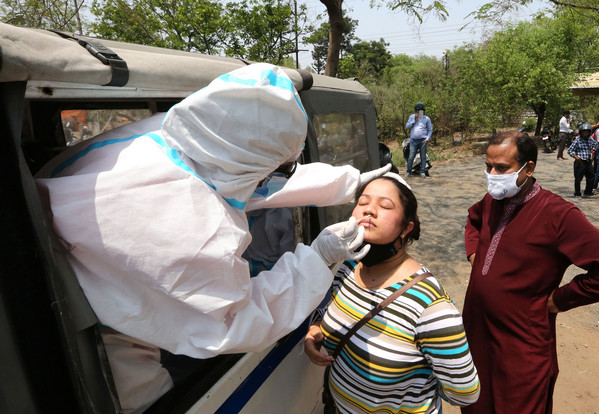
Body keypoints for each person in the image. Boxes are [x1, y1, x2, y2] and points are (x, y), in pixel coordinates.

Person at [34, 64, 388, 413]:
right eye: (279, 168)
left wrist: (347, 182)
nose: (279, 177)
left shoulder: (173, 135)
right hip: (105, 333)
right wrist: (317, 259)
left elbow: (241, 177)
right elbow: (234, 323)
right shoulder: (197, 235)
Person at [461, 131, 599, 414]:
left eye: (502, 168)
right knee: (475, 404)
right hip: (478, 338)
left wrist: (560, 299)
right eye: (489, 167)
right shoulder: (492, 200)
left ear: (528, 168)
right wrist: (475, 255)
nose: (493, 175)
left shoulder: (558, 214)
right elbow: (473, 221)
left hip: (520, 346)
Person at [305, 174, 481, 413]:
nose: (370, 211)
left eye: (385, 206)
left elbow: (465, 392)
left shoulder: (430, 307)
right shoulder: (347, 268)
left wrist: (415, 392)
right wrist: (315, 328)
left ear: (406, 228)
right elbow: (331, 310)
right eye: (363, 202)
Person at [567, 122, 597, 197]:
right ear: (580, 132)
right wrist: (577, 158)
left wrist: (593, 151)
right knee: (578, 178)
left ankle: (588, 191)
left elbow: (596, 144)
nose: (585, 133)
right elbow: (570, 150)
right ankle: (577, 193)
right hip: (580, 162)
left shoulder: (590, 139)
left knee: (591, 176)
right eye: (584, 131)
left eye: (587, 131)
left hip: (588, 161)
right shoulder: (577, 140)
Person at [405, 102, 433, 178]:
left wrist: (427, 139)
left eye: (421, 111)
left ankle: (422, 172)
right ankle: (408, 171)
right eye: (418, 111)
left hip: (423, 140)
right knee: (411, 157)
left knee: (423, 157)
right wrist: (414, 120)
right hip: (414, 141)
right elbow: (407, 126)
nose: (420, 112)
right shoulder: (412, 117)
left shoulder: (426, 119)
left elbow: (430, 129)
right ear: (416, 111)